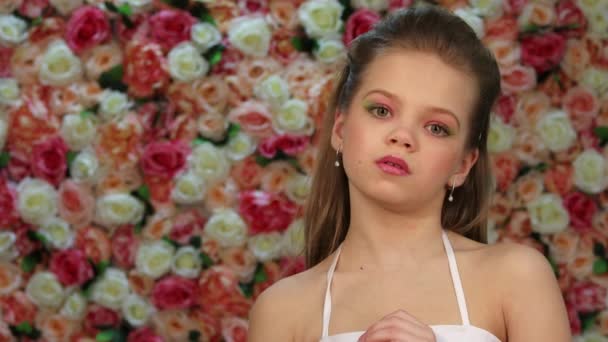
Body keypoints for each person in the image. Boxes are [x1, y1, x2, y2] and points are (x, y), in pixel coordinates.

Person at [248, 4, 571, 342]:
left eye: (436, 127)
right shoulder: (281, 310)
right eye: (382, 110)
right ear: (341, 130)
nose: (402, 136)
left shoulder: (518, 277)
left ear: (463, 165)